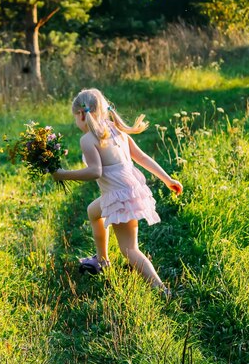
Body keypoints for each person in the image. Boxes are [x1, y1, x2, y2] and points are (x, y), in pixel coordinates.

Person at [52, 88, 183, 296]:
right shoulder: (116, 129)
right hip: (128, 191)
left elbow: (96, 171)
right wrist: (167, 179)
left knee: (130, 250)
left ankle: (161, 289)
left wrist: (63, 174)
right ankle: (102, 260)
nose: (76, 122)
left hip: (119, 196)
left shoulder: (88, 139)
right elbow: (142, 158)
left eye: (75, 117)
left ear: (82, 114)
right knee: (92, 211)